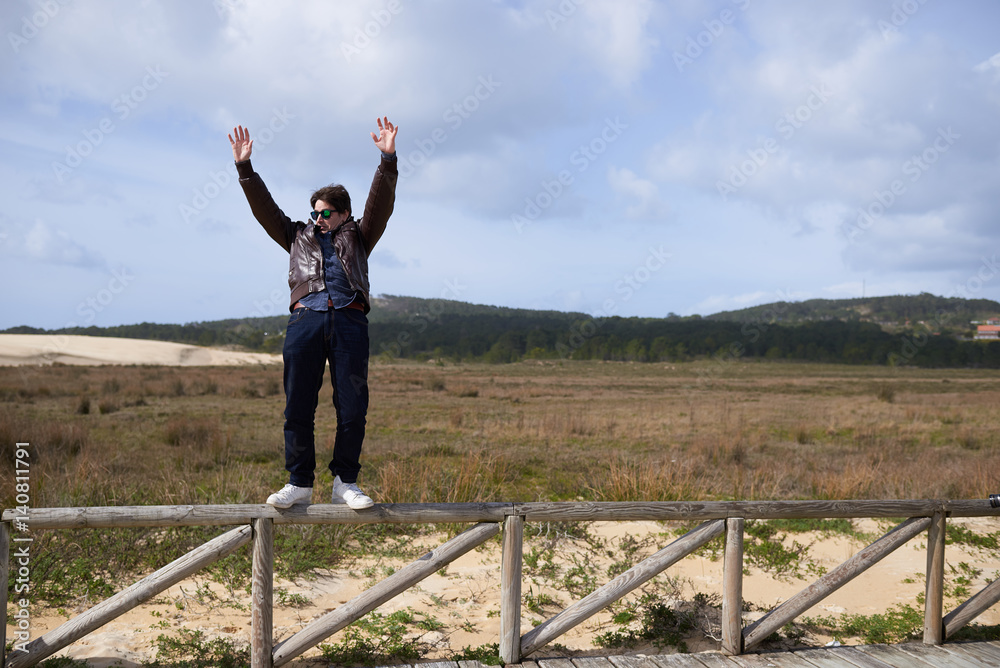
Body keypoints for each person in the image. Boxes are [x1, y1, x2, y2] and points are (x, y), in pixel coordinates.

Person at [228, 117, 399, 509]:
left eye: (325, 213)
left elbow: (380, 205)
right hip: (305, 321)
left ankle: (345, 483)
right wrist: (245, 168)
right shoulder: (296, 236)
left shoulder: (360, 235)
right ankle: (299, 482)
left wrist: (387, 161)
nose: (317, 219)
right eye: (314, 213)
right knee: (298, 406)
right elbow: (264, 210)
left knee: (352, 407)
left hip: (349, 321)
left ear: (343, 214)